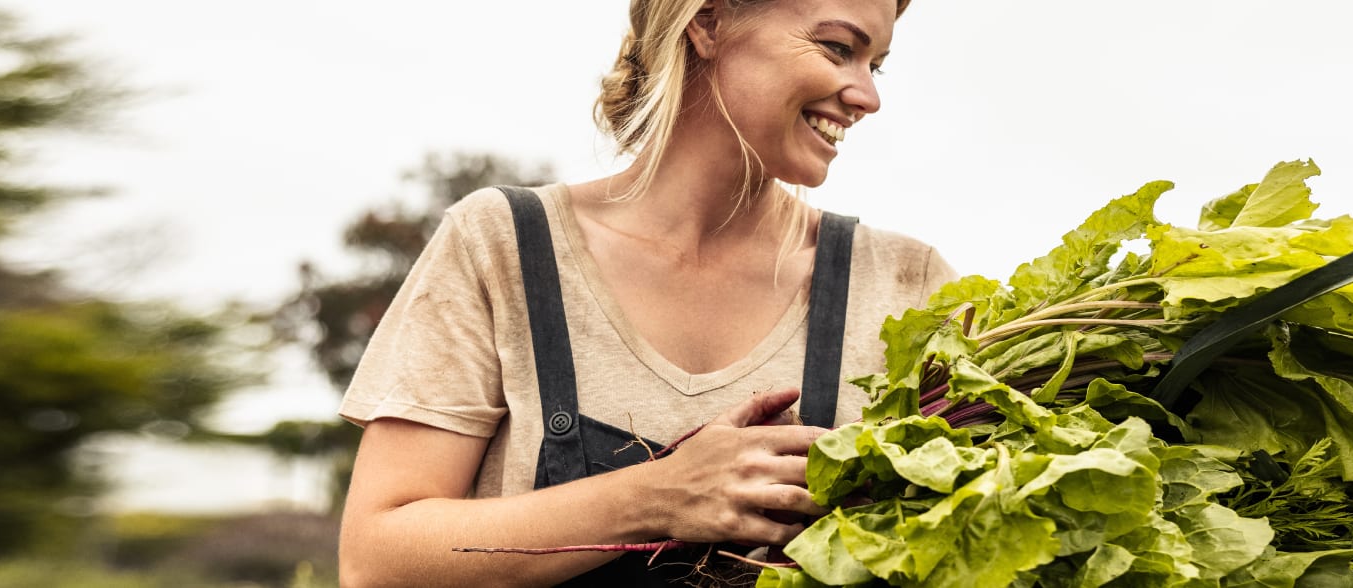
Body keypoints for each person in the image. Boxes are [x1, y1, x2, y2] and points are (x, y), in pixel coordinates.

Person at [333, 0, 945, 585]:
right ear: (707, 21)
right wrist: (658, 496)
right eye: (838, 48)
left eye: (876, 64)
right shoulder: (504, 247)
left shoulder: (908, 286)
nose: (868, 96)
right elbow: (376, 561)